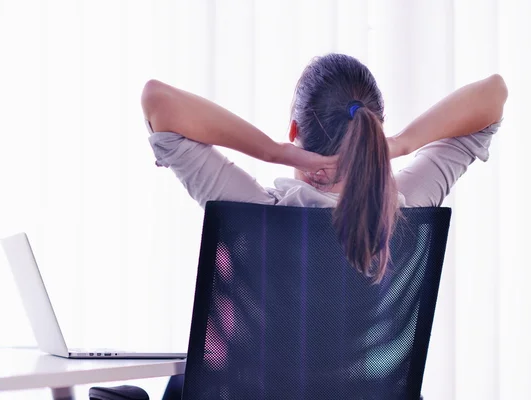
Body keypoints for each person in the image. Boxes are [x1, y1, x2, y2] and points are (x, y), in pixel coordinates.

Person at [141, 53, 507, 398]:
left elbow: (158, 101)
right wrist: (398, 144)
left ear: (294, 128)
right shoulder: (402, 211)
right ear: (373, 137)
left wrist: (274, 150)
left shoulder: (253, 210)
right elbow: (493, 96)